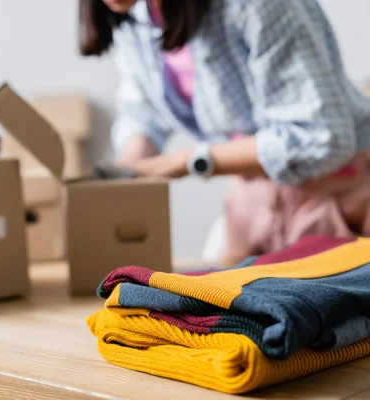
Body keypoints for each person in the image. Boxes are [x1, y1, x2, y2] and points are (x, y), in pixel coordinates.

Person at [79, 0, 370, 265]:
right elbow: (142, 109)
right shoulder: (136, 16)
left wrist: (184, 162)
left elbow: (318, 137)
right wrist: (132, 165)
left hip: (341, 193)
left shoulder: (257, 6)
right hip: (253, 200)